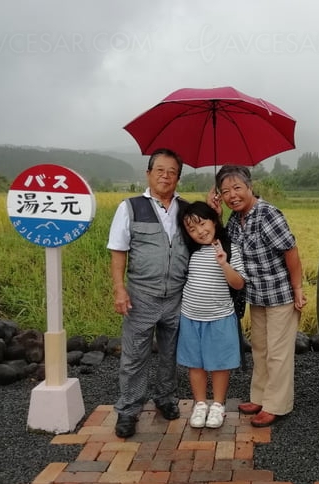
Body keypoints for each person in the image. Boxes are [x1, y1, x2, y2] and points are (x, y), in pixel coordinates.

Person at [208, 165, 307, 428]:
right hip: (257, 295)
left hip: (280, 295)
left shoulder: (267, 214)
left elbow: (291, 251)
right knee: (261, 349)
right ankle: (260, 398)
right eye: (225, 191)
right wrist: (216, 214)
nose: (232, 195)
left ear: (250, 187)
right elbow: (224, 245)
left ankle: (276, 405)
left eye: (237, 188)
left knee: (278, 353)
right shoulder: (235, 218)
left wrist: (298, 290)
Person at [107, 148, 189, 438]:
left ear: (178, 177)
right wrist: (120, 289)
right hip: (141, 296)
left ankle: (166, 399)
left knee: (170, 353)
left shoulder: (186, 209)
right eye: (160, 170)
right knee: (134, 357)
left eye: (172, 172)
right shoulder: (130, 207)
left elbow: (205, 236)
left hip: (177, 297)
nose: (166, 176)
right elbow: (118, 251)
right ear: (149, 173)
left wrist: (213, 213)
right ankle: (128, 410)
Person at [177, 201, 246, 428]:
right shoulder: (191, 251)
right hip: (190, 316)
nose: (200, 232)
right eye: (192, 229)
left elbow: (238, 284)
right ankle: (200, 404)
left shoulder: (229, 248)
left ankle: (217, 405)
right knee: (195, 364)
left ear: (214, 221)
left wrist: (224, 263)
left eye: (203, 223)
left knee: (219, 364)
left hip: (220, 317)